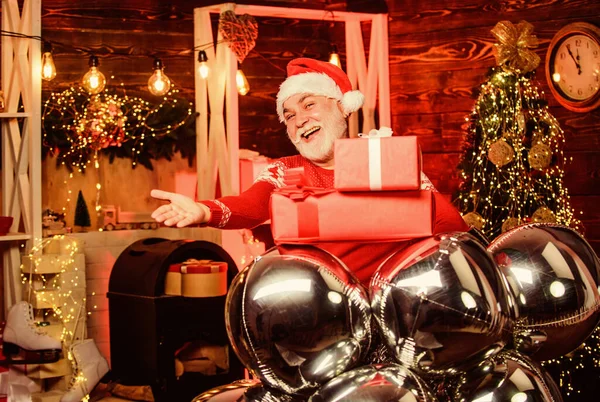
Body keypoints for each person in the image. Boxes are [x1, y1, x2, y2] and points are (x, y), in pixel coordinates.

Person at [151, 58, 468, 285]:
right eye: (288, 115)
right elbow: (250, 205)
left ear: (341, 107)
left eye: (309, 105)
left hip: (389, 305)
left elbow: (448, 222)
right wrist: (204, 210)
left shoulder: (379, 158)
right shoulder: (285, 170)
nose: (298, 119)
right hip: (317, 312)